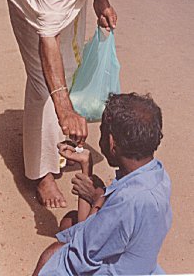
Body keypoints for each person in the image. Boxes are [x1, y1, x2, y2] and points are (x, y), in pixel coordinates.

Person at [2, 0, 139, 208]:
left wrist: (100, 0)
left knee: (69, 65)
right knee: (42, 85)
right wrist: (64, 109)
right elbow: (46, 38)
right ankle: (41, 173)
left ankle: (55, 132)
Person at [32, 92, 172, 276]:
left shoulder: (128, 201)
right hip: (139, 264)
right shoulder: (155, 174)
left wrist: (98, 199)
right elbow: (90, 228)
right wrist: (86, 166)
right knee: (69, 222)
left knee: (52, 255)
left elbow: (83, 253)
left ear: (112, 142)